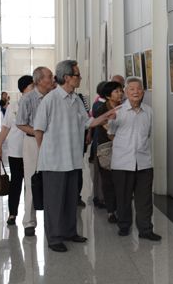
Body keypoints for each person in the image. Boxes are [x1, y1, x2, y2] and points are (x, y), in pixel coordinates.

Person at [33, 60, 116, 252]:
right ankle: (54, 238)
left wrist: (106, 116)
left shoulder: (76, 99)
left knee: (71, 199)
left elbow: (87, 122)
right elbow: (38, 130)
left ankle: (70, 231)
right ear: (67, 77)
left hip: (72, 158)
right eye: (77, 75)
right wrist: (45, 154)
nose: (80, 78)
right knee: (54, 202)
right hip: (54, 162)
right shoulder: (50, 99)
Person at [108, 77, 161, 241]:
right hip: (122, 162)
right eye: (131, 89)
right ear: (125, 92)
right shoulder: (117, 112)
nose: (136, 92)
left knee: (144, 199)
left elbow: (149, 134)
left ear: (143, 92)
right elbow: (111, 134)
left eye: (138, 89)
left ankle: (145, 229)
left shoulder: (149, 111)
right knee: (123, 197)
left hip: (144, 162)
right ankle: (124, 226)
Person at [16, 66, 53, 237]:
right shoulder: (28, 99)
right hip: (32, 142)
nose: (52, 80)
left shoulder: (54, 97)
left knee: (53, 179)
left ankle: (52, 218)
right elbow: (20, 123)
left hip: (53, 142)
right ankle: (29, 222)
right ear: (39, 80)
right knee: (32, 180)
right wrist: (38, 132)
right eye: (49, 77)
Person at [0, 76, 34, 226]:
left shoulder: (38, 104)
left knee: (30, 184)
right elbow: (5, 128)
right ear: (24, 89)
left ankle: (29, 216)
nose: (34, 90)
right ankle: (12, 213)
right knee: (16, 182)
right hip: (16, 151)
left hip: (32, 150)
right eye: (32, 87)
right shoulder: (13, 106)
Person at [94, 81, 123, 223]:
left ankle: (120, 208)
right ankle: (111, 210)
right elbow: (109, 130)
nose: (120, 94)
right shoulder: (101, 110)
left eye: (120, 91)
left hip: (123, 147)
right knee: (108, 180)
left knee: (121, 179)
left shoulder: (124, 108)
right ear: (108, 95)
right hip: (106, 147)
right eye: (116, 91)